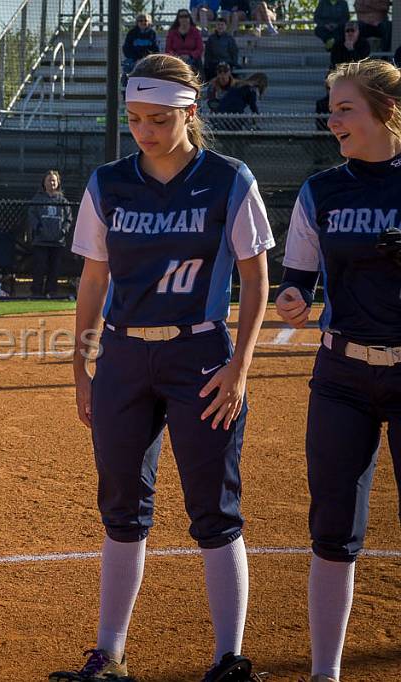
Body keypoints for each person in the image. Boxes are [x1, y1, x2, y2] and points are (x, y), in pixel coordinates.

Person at [50, 53, 273, 682]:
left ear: (189, 112)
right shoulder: (109, 183)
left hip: (200, 356)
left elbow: (256, 282)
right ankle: (109, 654)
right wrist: (81, 364)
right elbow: (93, 278)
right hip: (122, 356)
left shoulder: (230, 179)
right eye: (135, 120)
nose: (144, 132)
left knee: (214, 508)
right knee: (122, 505)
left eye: (157, 119)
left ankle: (229, 658)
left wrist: (240, 366)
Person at [274, 59, 401, 682]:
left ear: (387, 112)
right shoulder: (321, 190)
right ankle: (325, 673)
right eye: (332, 107)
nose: (333, 118)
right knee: (331, 526)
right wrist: (291, 300)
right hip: (342, 375)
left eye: (345, 107)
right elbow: (294, 284)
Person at [25, 169, 72, 298]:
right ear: (44, 183)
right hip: (41, 241)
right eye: (49, 180)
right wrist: (39, 229)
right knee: (39, 268)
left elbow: (68, 219)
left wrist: (63, 231)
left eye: (54, 180)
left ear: (58, 183)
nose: (52, 183)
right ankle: (36, 292)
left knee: (54, 269)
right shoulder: (38, 199)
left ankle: (51, 292)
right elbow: (32, 216)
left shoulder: (63, 201)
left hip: (57, 242)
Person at [206, 62, 262, 129]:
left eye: (225, 71)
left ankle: (253, 122)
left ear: (229, 72)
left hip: (235, 114)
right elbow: (211, 104)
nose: (223, 74)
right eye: (220, 72)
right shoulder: (212, 86)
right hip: (219, 114)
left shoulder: (238, 84)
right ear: (217, 73)